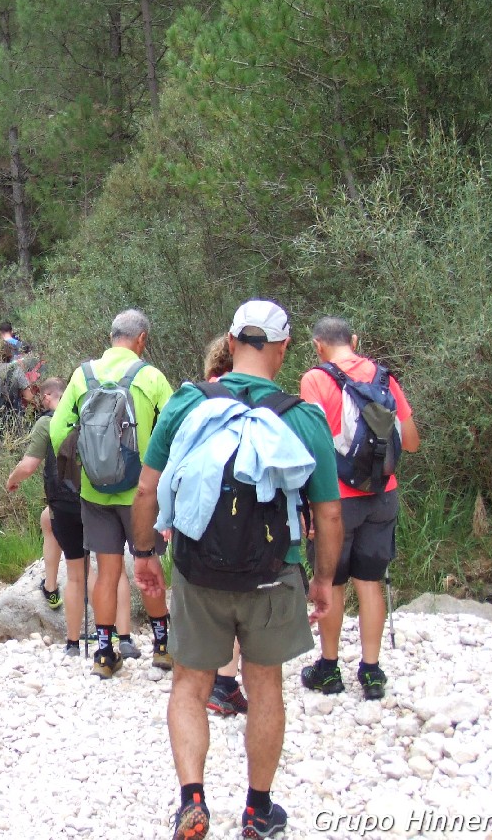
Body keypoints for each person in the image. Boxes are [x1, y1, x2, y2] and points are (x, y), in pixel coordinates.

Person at [131, 299, 344, 840]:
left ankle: (192, 800)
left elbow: (147, 489)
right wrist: (322, 579)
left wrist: (145, 554)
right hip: (273, 574)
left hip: (199, 571)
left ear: (230, 342)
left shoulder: (188, 401)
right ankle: (257, 811)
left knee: (189, 684)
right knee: (265, 684)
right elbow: (329, 513)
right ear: (283, 348)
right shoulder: (302, 417)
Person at [298, 316, 420, 701]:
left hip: (335, 499)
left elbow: (312, 445)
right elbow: (411, 441)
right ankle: (371, 671)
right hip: (383, 495)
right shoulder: (384, 378)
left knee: (332, 582)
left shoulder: (315, 379)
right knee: (370, 582)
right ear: (353, 339)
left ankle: (329, 669)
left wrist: (307, 504)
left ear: (318, 345)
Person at [49, 308, 174, 678]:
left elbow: (58, 431)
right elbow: (175, 429)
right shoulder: (150, 376)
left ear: (111, 337)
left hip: (95, 491)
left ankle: (104, 654)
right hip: (141, 493)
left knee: (107, 572)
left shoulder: (83, 375)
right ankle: (163, 648)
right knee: (148, 564)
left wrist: (85, 468)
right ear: (141, 339)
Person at [5, 378, 137, 656]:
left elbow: (29, 466)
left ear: (49, 396)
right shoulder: (96, 418)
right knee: (114, 570)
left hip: (63, 503)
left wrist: (12, 480)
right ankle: (123, 637)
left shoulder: (47, 423)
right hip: (98, 500)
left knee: (77, 574)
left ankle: (73, 644)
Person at [200, 333, 249, 719]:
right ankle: (225, 682)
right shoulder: (254, 396)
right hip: (244, 506)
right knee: (238, 595)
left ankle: (209, 675)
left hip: (202, 509)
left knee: (209, 594)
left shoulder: (198, 397)